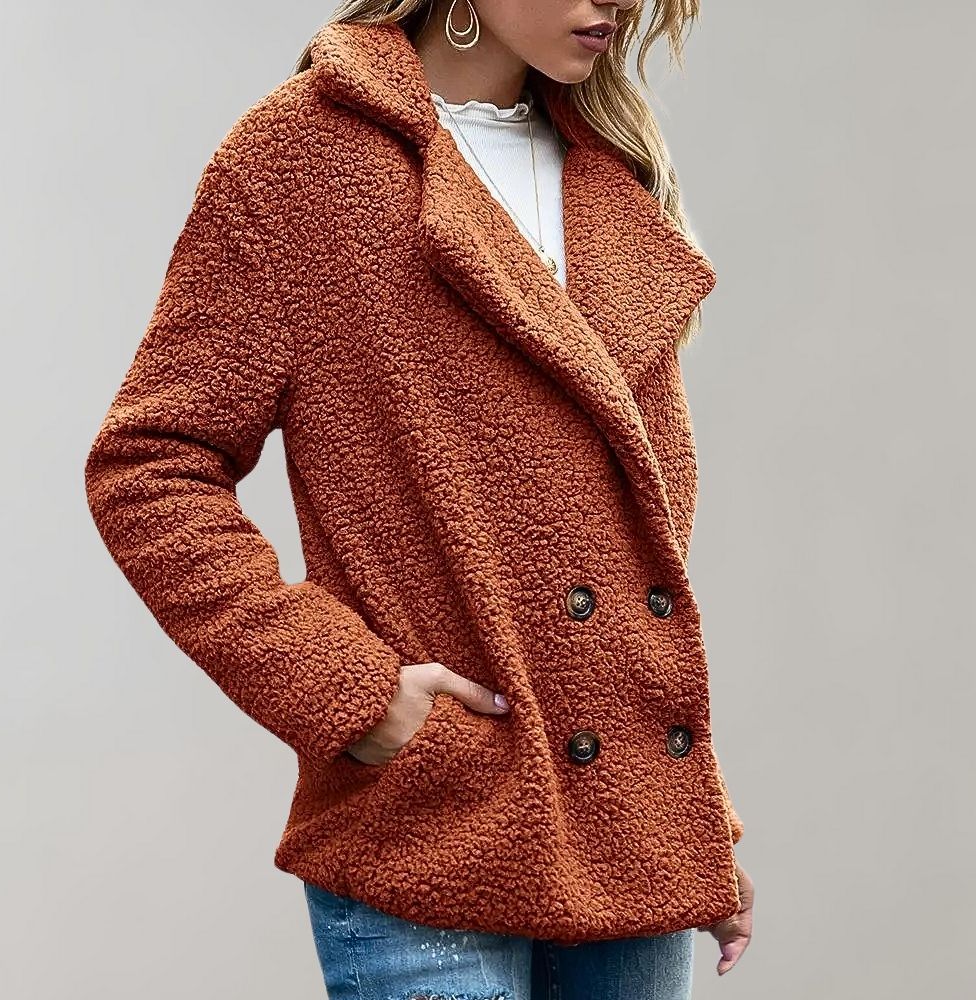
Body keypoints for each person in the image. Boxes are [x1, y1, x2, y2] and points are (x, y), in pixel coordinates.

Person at [84, 1, 755, 996]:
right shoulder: (302, 160)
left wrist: (696, 817)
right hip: (434, 822)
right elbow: (150, 465)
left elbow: (621, 557)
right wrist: (352, 692)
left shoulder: (610, 177)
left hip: (628, 836)